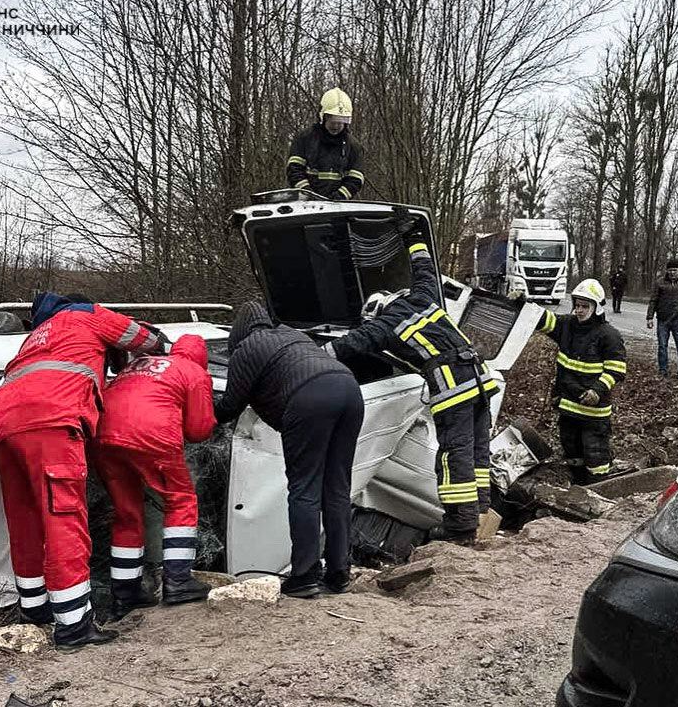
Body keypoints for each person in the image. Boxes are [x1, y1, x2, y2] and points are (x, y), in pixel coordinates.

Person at [0, 293, 163, 649]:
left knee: (25, 521)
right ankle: (73, 625)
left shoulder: (35, 337)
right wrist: (151, 341)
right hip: (51, 421)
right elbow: (145, 340)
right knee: (64, 520)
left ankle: (34, 611)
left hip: (2, 424)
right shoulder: (86, 315)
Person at [326, 222, 498, 546]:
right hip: (480, 377)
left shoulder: (386, 323)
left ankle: (459, 531)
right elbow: (425, 270)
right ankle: (480, 515)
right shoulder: (423, 298)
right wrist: (414, 238)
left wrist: (308, 354)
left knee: (454, 456)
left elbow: (348, 345)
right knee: (477, 452)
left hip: (453, 387)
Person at [214, 302, 363, 599]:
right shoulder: (293, 335)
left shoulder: (247, 348)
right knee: (336, 488)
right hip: (350, 389)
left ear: (238, 330)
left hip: (309, 398)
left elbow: (229, 407)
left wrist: (199, 411)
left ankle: (305, 575)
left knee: (304, 489)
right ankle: (339, 573)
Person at [91, 334, 217, 620]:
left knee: (126, 513)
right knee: (181, 500)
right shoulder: (193, 371)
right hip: (151, 436)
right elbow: (199, 430)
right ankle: (178, 580)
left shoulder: (136, 365)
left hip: (103, 437)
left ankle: (125, 594)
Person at [533, 280, 627, 485]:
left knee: (595, 453)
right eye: (577, 305)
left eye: (585, 306)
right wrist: (523, 303)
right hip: (568, 405)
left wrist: (597, 391)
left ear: (597, 307)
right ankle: (578, 488)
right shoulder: (567, 325)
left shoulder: (609, 335)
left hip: (594, 412)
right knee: (571, 449)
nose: (580, 310)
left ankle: (599, 488)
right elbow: (545, 320)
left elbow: (616, 369)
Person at [286, 88, 365, 200]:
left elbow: (356, 178)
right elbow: (294, 170)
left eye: (340, 122)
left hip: (338, 207)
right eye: (333, 121)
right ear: (323, 117)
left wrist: (339, 197)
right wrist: (307, 194)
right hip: (305, 205)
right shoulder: (304, 139)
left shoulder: (353, 146)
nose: (336, 126)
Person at [646, 259, 678, 379]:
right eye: (670, 270)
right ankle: (663, 370)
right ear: (667, 271)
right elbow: (654, 300)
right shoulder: (660, 282)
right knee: (662, 346)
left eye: (675, 270)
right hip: (663, 319)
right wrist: (650, 317)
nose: (672, 272)